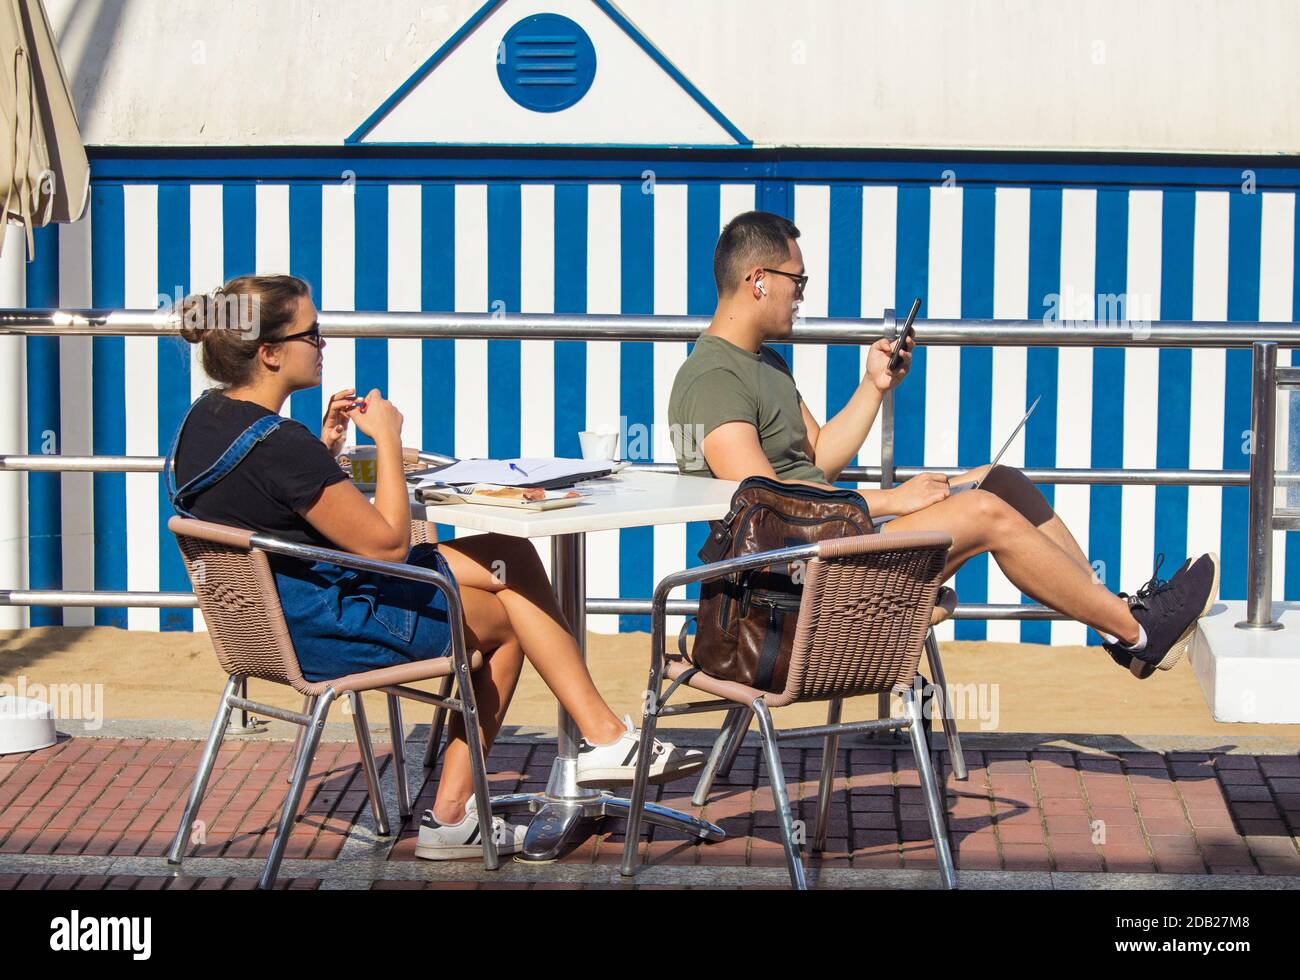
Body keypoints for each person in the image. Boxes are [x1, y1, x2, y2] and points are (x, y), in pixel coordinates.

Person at [167, 274, 703, 860]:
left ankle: (601, 739)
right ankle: (456, 817)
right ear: (270, 353)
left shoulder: (205, 421)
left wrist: (325, 450)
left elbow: (268, 503)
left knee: (510, 554)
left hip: (273, 624)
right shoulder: (279, 444)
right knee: (500, 623)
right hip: (330, 627)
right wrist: (389, 442)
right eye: (313, 333)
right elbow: (390, 546)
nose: (323, 343)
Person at [667, 211, 1218, 679]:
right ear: (759, 279)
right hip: (790, 585)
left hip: (832, 546)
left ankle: (1123, 624)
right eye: (798, 281)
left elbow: (817, 459)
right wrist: (891, 500)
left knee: (998, 481)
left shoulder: (765, 363)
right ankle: (1141, 631)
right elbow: (762, 500)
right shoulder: (713, 379)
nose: (802, 295)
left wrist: (873, 384)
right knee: (982, 510)